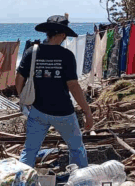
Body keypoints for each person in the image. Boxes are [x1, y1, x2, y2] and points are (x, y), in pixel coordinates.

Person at [15, 15, 94, 169]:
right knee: (76, 148)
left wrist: (24, 100)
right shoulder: (66, 56)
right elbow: (73, 86)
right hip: (63, 112)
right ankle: (80, 184)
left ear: (48, 33)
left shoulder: (32, 52)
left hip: (37, 110)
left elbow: (19, 79)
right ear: (63, 34)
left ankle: (21, 185)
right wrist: (87, 111)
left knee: (30, 150)